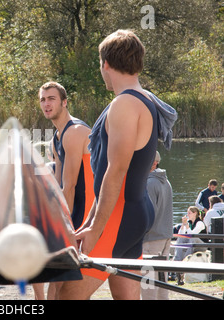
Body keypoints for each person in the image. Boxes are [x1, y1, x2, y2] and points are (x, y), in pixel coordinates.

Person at [60, 30, 159, 300]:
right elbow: (109, 171)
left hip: (120, 215)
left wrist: (96, 227)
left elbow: (116, 171)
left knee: (66, 296)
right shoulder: (145, 99)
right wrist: (90, 221)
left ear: (105, 63)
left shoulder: (124, 104)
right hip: (133, 210)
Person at [39, 81, 94, 230]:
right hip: (75, 209)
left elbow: (69, 186)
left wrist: (61, 225)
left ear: (64, 102)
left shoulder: (74, 132)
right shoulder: (56, 138)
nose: (46, 104)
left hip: (88, 212)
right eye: (43, 100)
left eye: (51, 99)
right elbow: (58, 186)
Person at [141, 151, 173, 300]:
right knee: (162, 280)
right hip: (165, 237)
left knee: (148, 283)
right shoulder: (165, 181)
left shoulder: (149, 183)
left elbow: (148, 214)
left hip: (151, 238)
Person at [173, 206, 206, 285]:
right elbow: (181, 235)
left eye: (189, 213)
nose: (188, 215)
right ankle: (177, 260)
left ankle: (186, 262)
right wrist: (183, 225)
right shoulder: (189, 223)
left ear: (195, 213)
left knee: (191, 239)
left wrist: (186, 225)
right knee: (180, 239)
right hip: (192, 242)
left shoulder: (200, 223)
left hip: (202, 244)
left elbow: (192, 235)